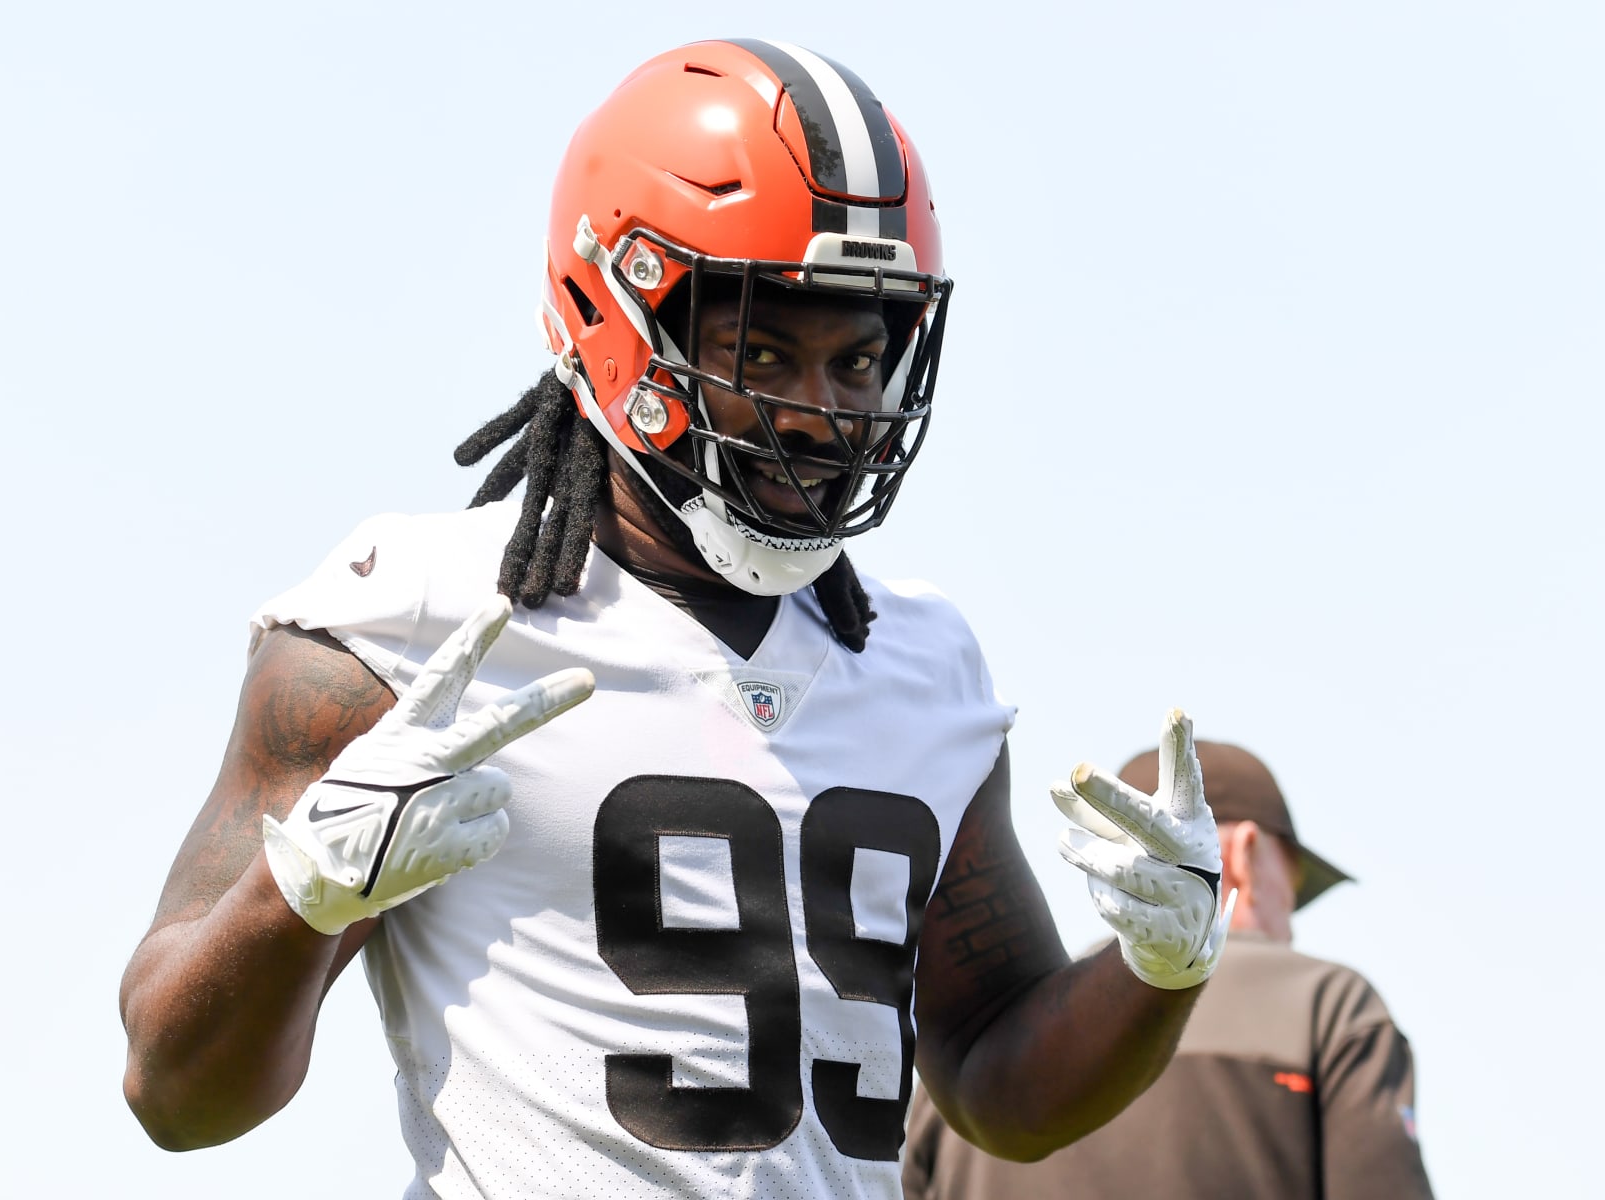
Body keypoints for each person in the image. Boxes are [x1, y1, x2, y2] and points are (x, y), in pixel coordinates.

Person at [118, 38, 1234, 1199]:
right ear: (616, 314)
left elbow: (1003, 1087)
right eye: (760, 347)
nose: (818, 413)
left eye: (858, 358)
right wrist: (301, 895)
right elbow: (174, 1092)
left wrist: (1159, 970)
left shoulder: (920, 664)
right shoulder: (416, 623)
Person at [903, 740, 1436, 1200]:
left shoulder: (976, 1039)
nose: (1292, 926)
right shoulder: (1329, 1005)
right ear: (1245, 856)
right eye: (1292, 893)